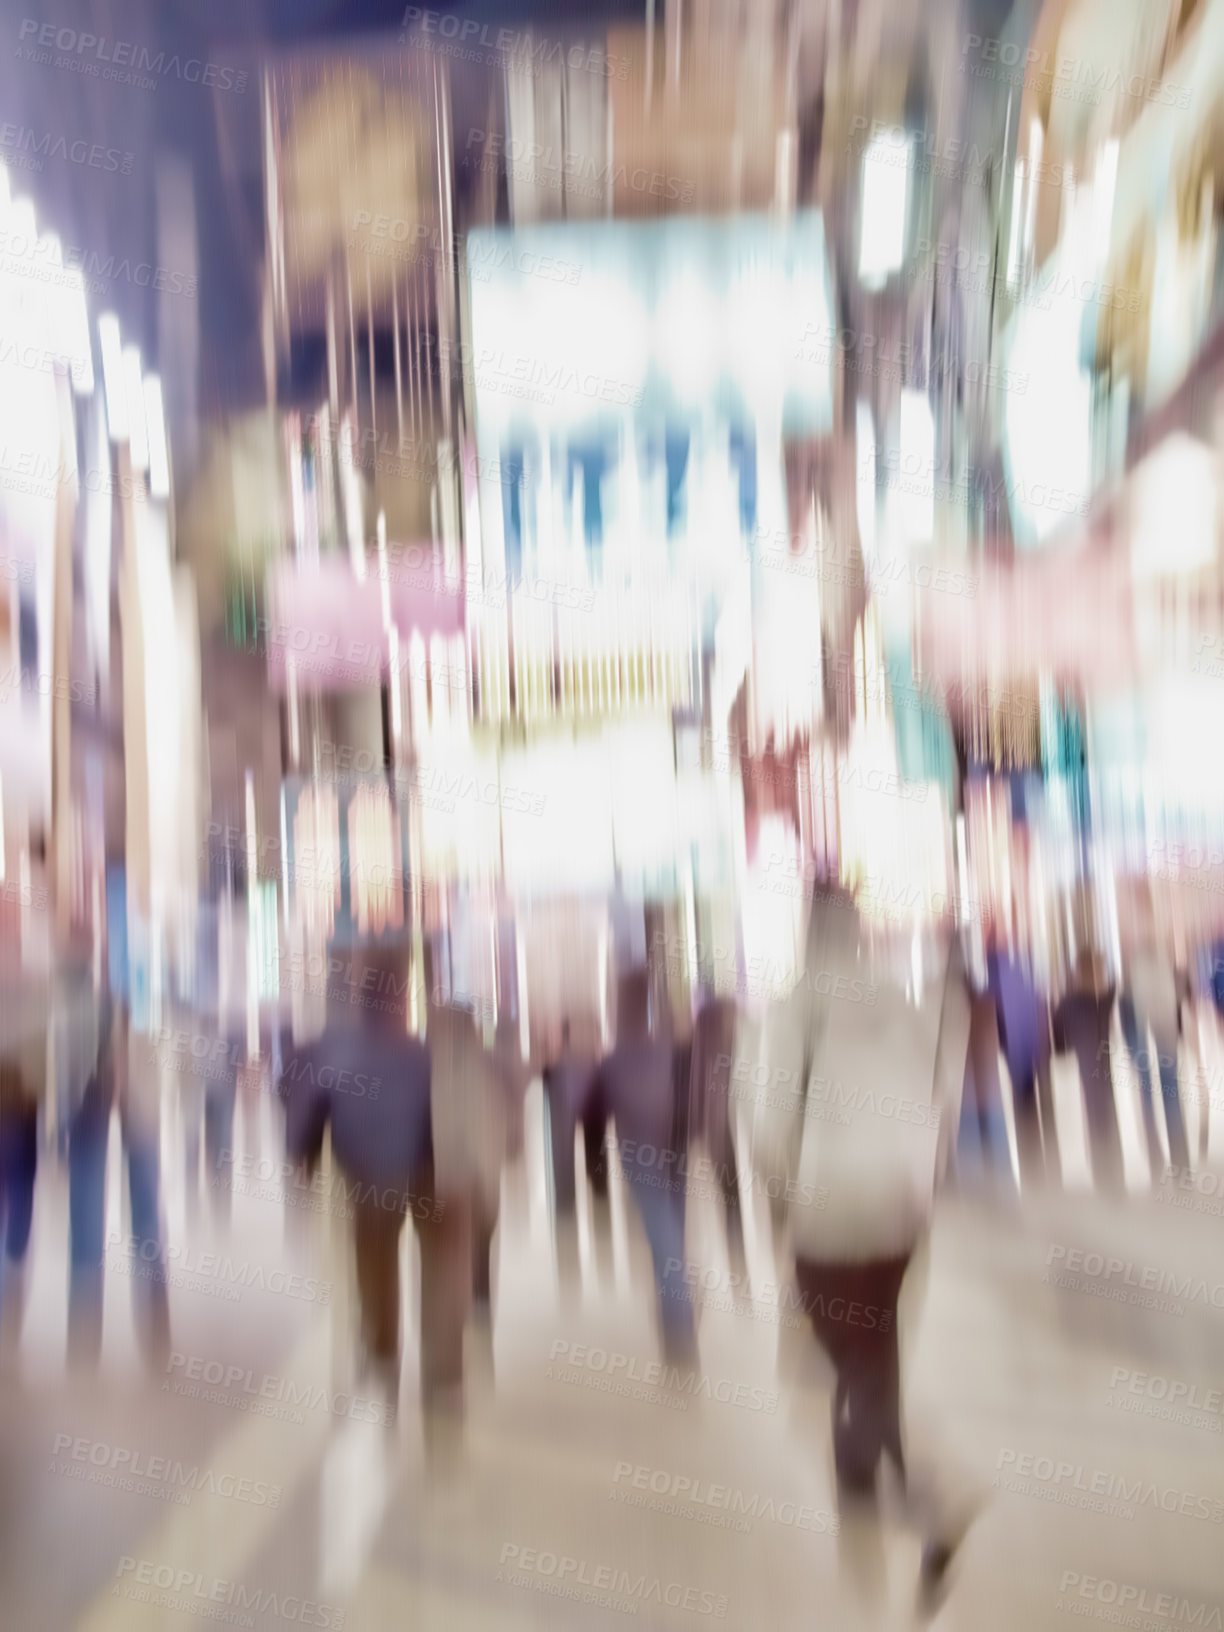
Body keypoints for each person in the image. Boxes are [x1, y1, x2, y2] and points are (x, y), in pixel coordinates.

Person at [741, 878, 977, 1614]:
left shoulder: (792, 1008)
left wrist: (783, 1201)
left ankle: (928, 1502)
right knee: (872, 1361)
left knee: (849, 1370)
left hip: (831, 1213)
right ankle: (864, 1514)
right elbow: (940, 1100)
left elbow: (767, 1129)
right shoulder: (901, 1003)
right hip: (901, 1216)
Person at [281, 940, 468, 1423]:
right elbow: (448, 1115)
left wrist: (300, 1165)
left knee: (375, 1268)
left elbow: (307, 1116)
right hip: (428, 1177)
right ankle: (443, 1382)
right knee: (439, 1276)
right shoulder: (422, 1050)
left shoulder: (336, 1048)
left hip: (368, 1179)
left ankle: (384, 1360)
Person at [1052, 947, 1124, 1195]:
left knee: (1099, 1117)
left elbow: (1059, 1038)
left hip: (1092, 1065)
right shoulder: (1100, 999)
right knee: (1103, 1116)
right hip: (1098, 1066)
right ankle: (1111, 1175)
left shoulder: (1075, 1001)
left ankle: (1107, 1175)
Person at [1118, 933, 1190, 1178]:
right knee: (1170, 1101)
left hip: (1149, 1047)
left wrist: (1132, 1053)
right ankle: (1180, 1166)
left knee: (1151, 1102)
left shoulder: (1134, 972)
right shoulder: (1163, 968)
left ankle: (1160, 1165)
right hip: (1163, 1045)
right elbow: (1177, 1004)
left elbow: (1126, 1011)